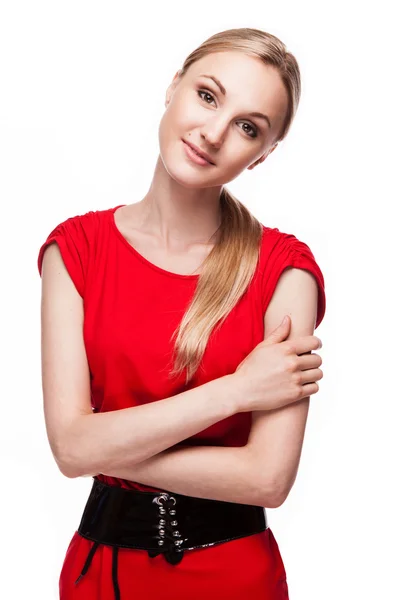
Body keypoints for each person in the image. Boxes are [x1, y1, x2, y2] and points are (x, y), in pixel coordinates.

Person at [37, 27, 326, 600]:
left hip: (233, 579)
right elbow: (70, 447)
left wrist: (103, 445)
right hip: (101, 577)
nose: (214, 133)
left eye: (248, 128)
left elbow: (267, 479)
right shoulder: (75, 250)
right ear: (174, 87)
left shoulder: (286, 271)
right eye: (208, 95)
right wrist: (236, 392)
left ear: (263, 154)